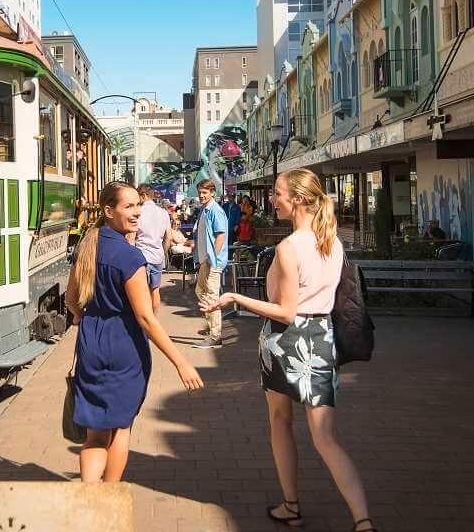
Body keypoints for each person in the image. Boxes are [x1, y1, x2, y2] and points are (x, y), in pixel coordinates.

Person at [201, 169, 375, 532]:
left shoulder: (289, 247)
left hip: (285, 340)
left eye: (278, 194)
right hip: (322, 339)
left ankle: (291, 506)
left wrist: (234, 297)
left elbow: (285, 311)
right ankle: (363, 519)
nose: (272, 199)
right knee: (325, 437)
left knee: (280, 423)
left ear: (296, 199)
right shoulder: (332, 242)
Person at [64, 182, 204, 483]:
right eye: (129, 207)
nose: (137, 212)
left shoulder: (88, 246)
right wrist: (181, 361)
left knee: (95, 435)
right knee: (121, 428)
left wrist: (80, 319)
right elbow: (145, 317)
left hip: (91, 342)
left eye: (137, 206)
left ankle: (89, 497)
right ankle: (108, 499)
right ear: (108, 210)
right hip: (123, 345)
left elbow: (70, 300)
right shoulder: (129, 258)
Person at [188, 179, 229, 349]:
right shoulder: (204, 210)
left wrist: (214, 258)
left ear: (212, 193)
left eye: (205, 192)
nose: (201, 196)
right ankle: (212, 328)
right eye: (200, 193)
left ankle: (216, 335)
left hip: (212, 261)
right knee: (201, 291)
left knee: (211, 296)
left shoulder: (215, 211)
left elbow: (221, 235)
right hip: (205, 260)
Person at [136, 184, 172, 313]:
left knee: (141, 292)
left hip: (141, 256)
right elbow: (169, 237)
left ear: (143, 195)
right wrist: (163, 252)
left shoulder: (138, 212)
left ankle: (144, 324)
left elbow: (131, 235)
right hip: (157, 256)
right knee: (155, 290)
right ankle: (154, 319)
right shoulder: (163, 213)